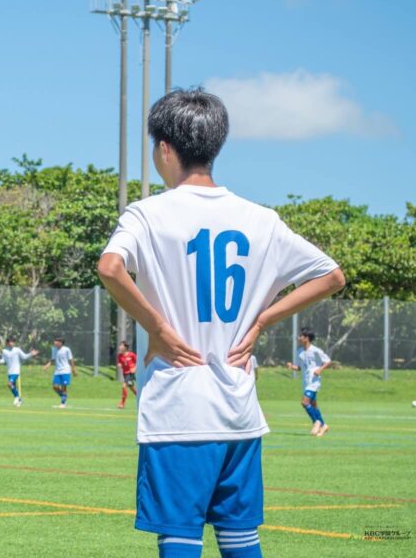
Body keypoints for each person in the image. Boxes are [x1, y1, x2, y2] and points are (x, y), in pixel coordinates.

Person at [98, 88, 345, 558]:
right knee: (240, 538)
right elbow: (332, 276)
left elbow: (110, 267)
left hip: (178, 408)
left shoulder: (147, 214)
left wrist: (159, 330)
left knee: (180, 538)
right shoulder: (261, 219)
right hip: (238, 407)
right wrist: (261, 321)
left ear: (164, 149)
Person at [287, 328, 331, 437]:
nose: (299, 338)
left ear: (306, 338)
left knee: (304, 402)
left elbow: (328, 361)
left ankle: (316, 422)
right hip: (305, 381)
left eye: (301, 336)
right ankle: (324, 425)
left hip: (314, 381)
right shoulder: (300, 351)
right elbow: (300, 367)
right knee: (313, 405)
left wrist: (320, 369)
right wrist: (292, 367)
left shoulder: (315, 350)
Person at [0, 337, 38, 407]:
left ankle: (16, 397)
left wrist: (31, 354)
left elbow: (24, 357)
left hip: (16, 371)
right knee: (12, 386)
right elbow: (3, 360)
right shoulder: (4, 351)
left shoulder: (17, 350)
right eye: (10, 342)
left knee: (9, 384)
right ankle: (19, 399)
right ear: (7, 343)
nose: (12, 343)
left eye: (13, 342)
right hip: (9, 372)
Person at [42, 337, 75, 408]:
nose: (55, 342)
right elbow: (53, 359)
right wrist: (47, 365)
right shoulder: (54, 349)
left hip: (65, 370)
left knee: (63, 387)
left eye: (56, 341)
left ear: (61, 343)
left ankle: (63, 403)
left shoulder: (67, 349)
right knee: (55, 387)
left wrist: (73, 369)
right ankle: (64, 396)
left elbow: (71, 360)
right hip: (57, 371)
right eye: (55, 341)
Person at [116, 340, 137, 409]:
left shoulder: (131, 355)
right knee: (132, 388)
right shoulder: (119, 356)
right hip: (125, 374)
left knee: (124, 386)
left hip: (130, 374)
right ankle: (141, 398)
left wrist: (135, 368)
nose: (120, 347)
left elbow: (138, 362)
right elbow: (119, 363)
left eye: (121, 345)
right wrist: (119, 364)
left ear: (125, 347)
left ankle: (122, 404)